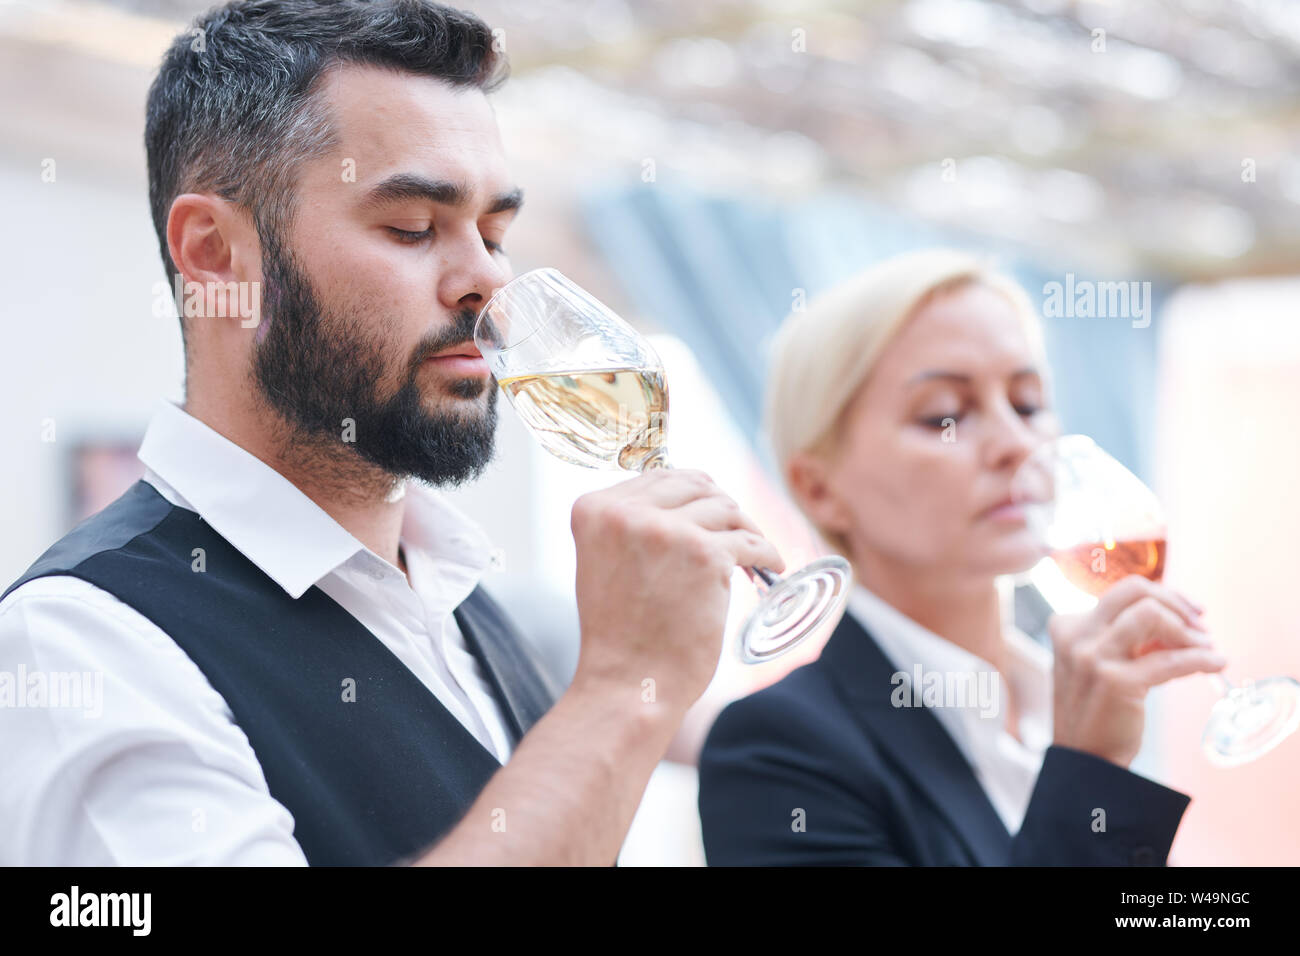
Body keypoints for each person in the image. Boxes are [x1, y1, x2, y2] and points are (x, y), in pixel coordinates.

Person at [0, 0, 783, 866]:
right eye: (413, 227)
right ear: (216, 255)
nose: (488, 278)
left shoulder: (467, 602)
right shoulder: (81, 648)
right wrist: (616, 697)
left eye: (495, 232)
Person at [697, 249, 1225, 866]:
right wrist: (1091, 771)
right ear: (820, 489)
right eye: (945, 415)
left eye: (1027, 404)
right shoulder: (777, 755)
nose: (1015, 443)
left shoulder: (1066, 701)